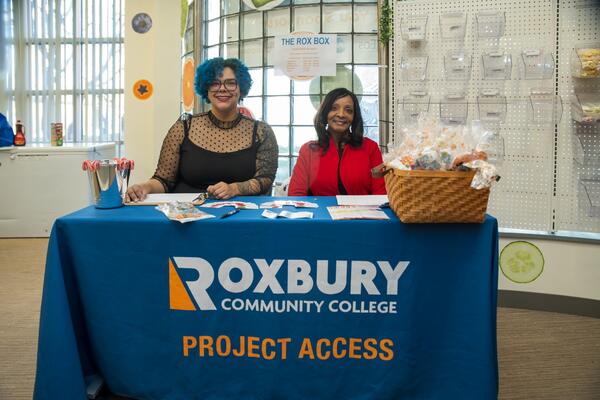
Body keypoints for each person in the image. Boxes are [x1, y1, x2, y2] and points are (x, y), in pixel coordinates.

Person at [125, 58, 278, 201]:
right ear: (206, 89)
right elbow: (163, 180)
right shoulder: (184, 127)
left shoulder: (261, 132)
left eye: (230, 83)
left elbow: (265, 180)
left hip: (239, 217)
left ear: (241, 88)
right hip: (185, 218)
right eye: (214, 83)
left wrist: (235, 189)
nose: (222, 89)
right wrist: (144, 187)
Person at [287, 87, 386, 196]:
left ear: (354, 117)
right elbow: (296, 195)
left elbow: (380, 194)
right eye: (334, 108)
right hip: (320, 212)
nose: (341, 114)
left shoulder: (370, 148)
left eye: (348, 110)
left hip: (363, 212)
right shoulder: (308, 150)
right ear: (325, 113)